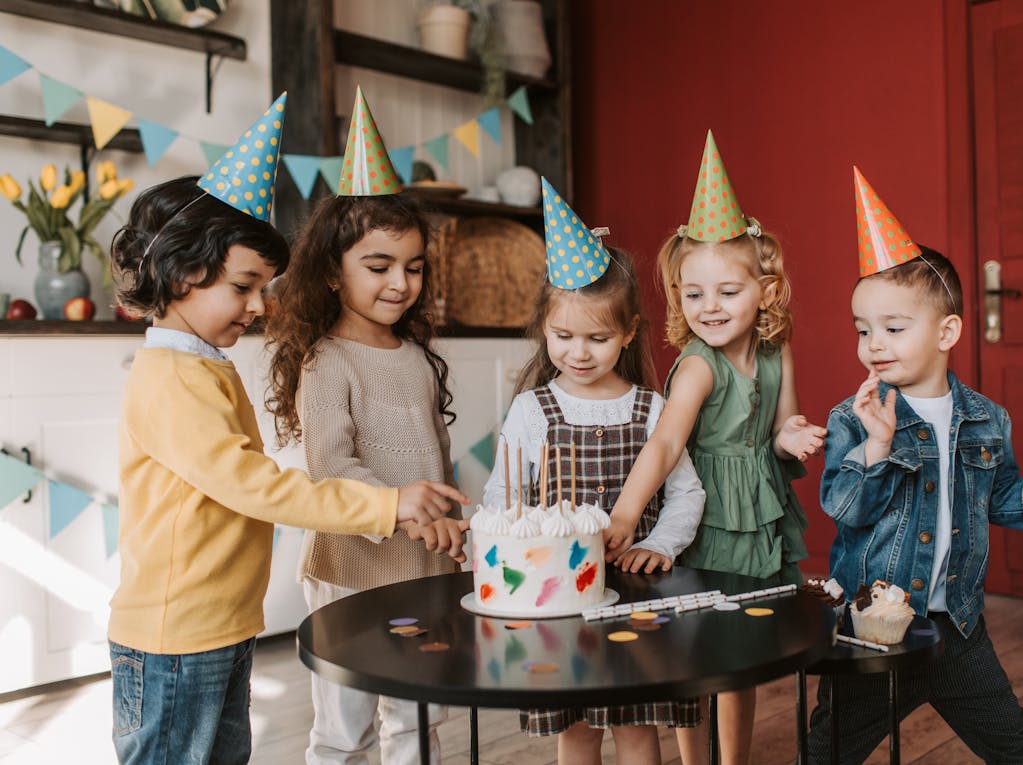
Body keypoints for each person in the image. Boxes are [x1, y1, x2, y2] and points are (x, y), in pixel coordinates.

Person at [106, 94, 463, 765]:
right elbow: (257, 485)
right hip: (174, 634)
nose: (258, 304)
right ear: (184, 273)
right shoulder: (171, 378)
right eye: (244, 286)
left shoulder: (204, 367)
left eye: (264, 287)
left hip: (218, 624)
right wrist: (389, 502)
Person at [806, 168, 1023, 763]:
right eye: (863, 330)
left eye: (893, 328)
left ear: (947, 332)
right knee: (826, 751)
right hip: (872, 630)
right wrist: (877, 448)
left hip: (958, 632)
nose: (874, 344)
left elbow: (1001, 501)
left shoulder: (986, 419)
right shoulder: (856, 416)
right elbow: (843, 507)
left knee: (1018, 749)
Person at [608, 132, 826, 765]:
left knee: (745, 656)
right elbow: (668, 442)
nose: (709, 308)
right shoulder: (699, 367)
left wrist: (791, 437)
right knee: (699, 653)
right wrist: (624, 517)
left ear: (766, 288)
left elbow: (784, 432)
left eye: (728, 292)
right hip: (705, 519)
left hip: (759, 515)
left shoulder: (776, 349)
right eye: (692, 294)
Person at [266, 88, 467, 765]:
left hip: (421, 565)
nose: (399, 283)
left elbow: (436, 460)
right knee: (344, 724)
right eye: (378, 266)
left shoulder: (416, 358)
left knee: (420, 715)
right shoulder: (328, 360)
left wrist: (453, 520)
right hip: (351, 568)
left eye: (413, 267)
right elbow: (331, 466)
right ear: (330, 272)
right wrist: (405, 509)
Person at [482, 178, 704, 765]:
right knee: (576, 727)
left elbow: (687, 494)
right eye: (563, 336)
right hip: (560, 598)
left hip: (635, 595)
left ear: (628, 333)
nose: (579, 352)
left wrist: (660, 544)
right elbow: (503, 494)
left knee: (636, 725)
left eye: (598, 338)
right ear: (544, 329)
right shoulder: (532, 410)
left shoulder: (653, 409)